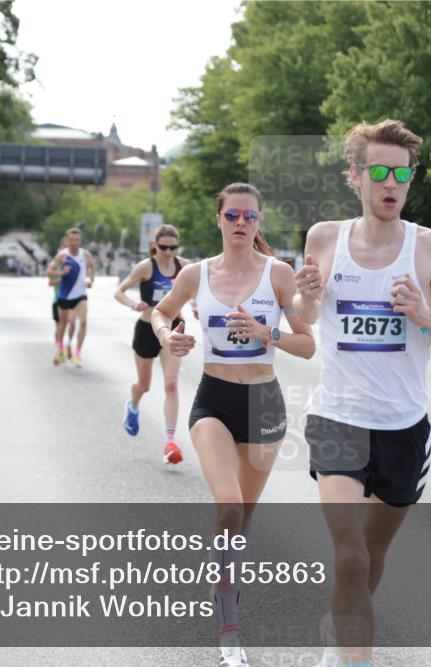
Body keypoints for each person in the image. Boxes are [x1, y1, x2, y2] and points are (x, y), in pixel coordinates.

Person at [293, 119, 431, 667]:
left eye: (402, 173)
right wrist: (304, 300)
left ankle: (341, 628)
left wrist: (425, 316)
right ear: (357, 176)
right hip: (337, 420)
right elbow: (305, 323)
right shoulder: (324, 239)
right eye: (380, 172)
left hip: (402, 429)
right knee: (348, 556)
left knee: (371, 557)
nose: (391, 183)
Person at [151, 183, 315, 667]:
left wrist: (271, 333)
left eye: (250, 216)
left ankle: (226, 577)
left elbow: (308, 346)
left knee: (240, 521)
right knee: (228, 504)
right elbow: (161, 313)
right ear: (219, 220)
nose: (241, 222)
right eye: (232, 215)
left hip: (264, 402)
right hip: (214, 399)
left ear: (258, 223)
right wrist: (170, 336)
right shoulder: (197, 275)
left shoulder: (279, 274)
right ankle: (229, 634)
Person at [114, 224, 191, 464]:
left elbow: (199, 292)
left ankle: (170, 442)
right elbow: (120, 291)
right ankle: (133, 404)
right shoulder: (146, 266)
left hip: (173, 328)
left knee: (170, 384)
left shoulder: (185, 267)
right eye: (163, 247)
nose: (168, 252)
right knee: (144, 385)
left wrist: (198, 308)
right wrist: (132, 304)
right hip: (147, 329)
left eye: (173, 247)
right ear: (155, 245)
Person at [48, 227, 95, 367]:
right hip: (64, 296)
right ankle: (61, 349)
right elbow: (50, 272)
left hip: (80, 295)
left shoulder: (85, 254)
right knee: (63, 325)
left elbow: (92, 267)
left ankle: (78, 354)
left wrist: (91, 280)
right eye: (72, 240)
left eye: (77, 240)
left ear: (80, 241)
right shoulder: (62, 256)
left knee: (83, 322)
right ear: (67, 241)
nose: (74, 242)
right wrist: (61, 273)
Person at [48, 237, 76, 366]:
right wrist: (62, 277)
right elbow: (50, 282)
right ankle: (59, 350)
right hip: (58, 299)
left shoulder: (75, 262)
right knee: (59, 327)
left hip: (73, 299)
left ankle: (69, 344)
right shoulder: (56, 264)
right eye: (65, 247)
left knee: (72, 322)